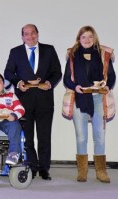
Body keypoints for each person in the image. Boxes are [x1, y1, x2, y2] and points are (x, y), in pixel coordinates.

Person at [4, 24, 62, 180]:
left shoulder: (49, 50)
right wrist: (18, 83)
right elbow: (8, 72)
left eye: (33, 33)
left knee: (44, 136)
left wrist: (49, 83)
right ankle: (31, 166)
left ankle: (44, 168)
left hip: (45, 101)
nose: (30, 36)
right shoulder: (15, 52)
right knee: (27, 137)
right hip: (24, 102)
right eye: (26, 34)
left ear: (38, 34)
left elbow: (57, 72)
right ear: (22, 36)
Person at [63, 26, 115, 183]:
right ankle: (82, 172)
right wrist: (75, 87)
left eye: (90, 37)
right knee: (81, 137)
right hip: (80, 99)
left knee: (99, 136)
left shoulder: (103, 54)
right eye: (84, 37)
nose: (87, 40)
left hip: (99, 98)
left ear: (95, 38)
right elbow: (66, 78)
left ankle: (101, 172)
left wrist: (106, 86)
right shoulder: (72, 55)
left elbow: (111, 76)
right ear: (79, 39)